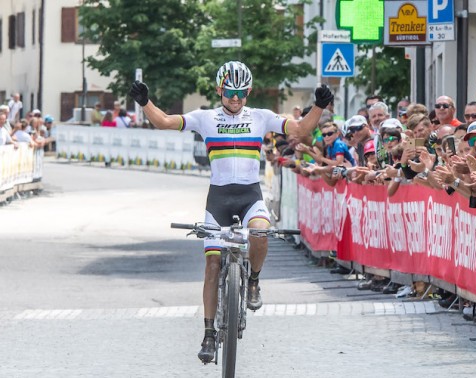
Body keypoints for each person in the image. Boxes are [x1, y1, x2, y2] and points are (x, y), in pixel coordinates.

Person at [128, 60, 333, 363]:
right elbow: (165, 122)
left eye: (240, 93)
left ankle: (253, 281)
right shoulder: (205, 118)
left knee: (261, 232)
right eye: (229, 93)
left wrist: (318, 106)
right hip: (219, 200)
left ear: (248, 91)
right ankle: (209, 334)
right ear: (219, 90)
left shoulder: (261, 117)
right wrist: (145, 102)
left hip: (250, 195)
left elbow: (301, 130)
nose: (235, 99)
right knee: (212, 266)